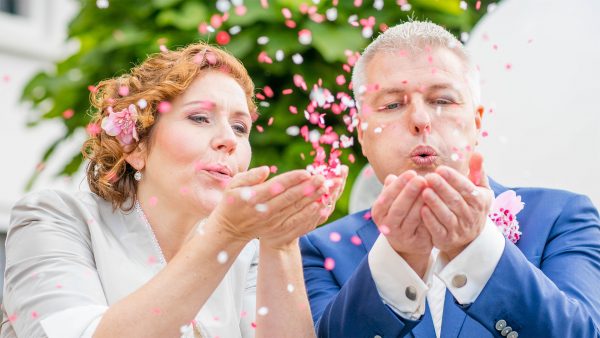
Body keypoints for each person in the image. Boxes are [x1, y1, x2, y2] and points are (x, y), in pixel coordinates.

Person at [1, 42, 346, 338]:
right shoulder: (53, 219)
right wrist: (224, 234)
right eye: (199, 118)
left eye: (240, 127)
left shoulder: (248, 255)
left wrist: (280, 243)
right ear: (136, 146)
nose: (229, 140)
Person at [300, 21, 600, 338]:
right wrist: (398, 258)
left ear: (476, 121)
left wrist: (475, 247)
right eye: (392, 104)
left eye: (442, 100)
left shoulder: (562, 217)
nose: (420, 120)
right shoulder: (319, 250)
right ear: (362, 133)